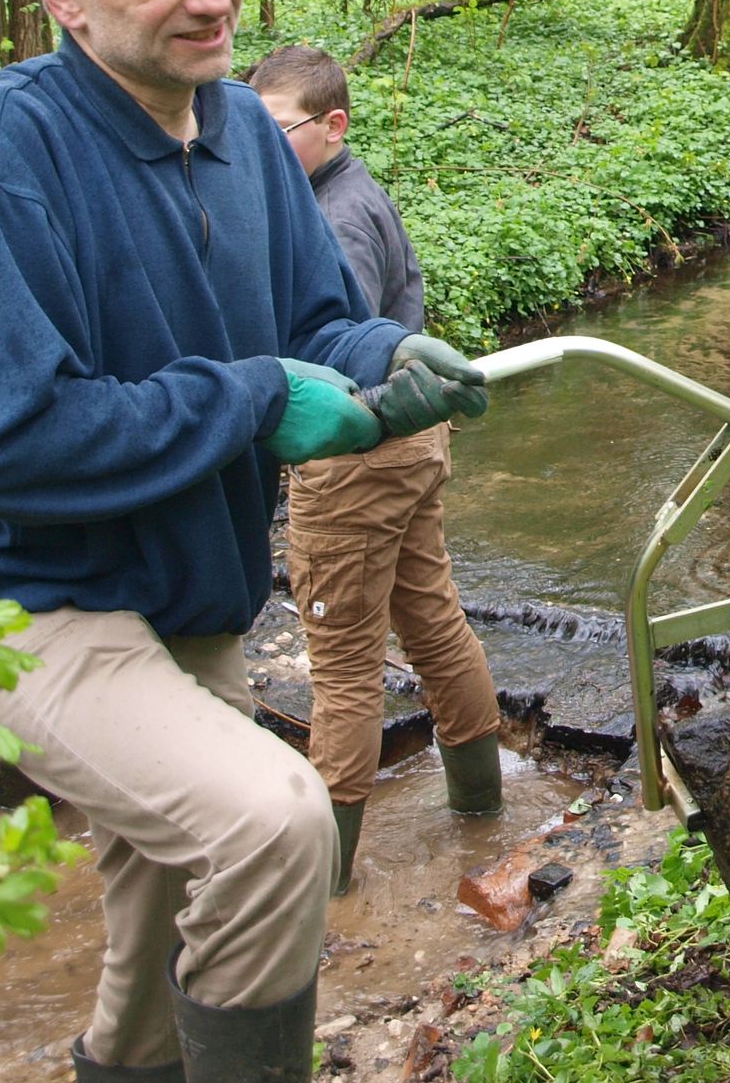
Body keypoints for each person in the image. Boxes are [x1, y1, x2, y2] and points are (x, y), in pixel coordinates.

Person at [0, 0, 490, 1083]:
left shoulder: (247, 133)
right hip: (19, 599)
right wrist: (255, 399)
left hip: (187, 594)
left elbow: (312, 321)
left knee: (162, 939)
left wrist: (383, 355)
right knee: (274, 825)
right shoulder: (0, 152)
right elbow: (0, 441)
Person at [246, 44, 503, 893]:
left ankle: (326, 888)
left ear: (333, 125)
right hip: (414, 447)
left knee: (345, 663)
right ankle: (481, 813)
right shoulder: (341, 191)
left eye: (274, 129)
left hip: (360, 453)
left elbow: (338, 354)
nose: (256, 146)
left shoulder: (335, 219)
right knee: (432, 618)